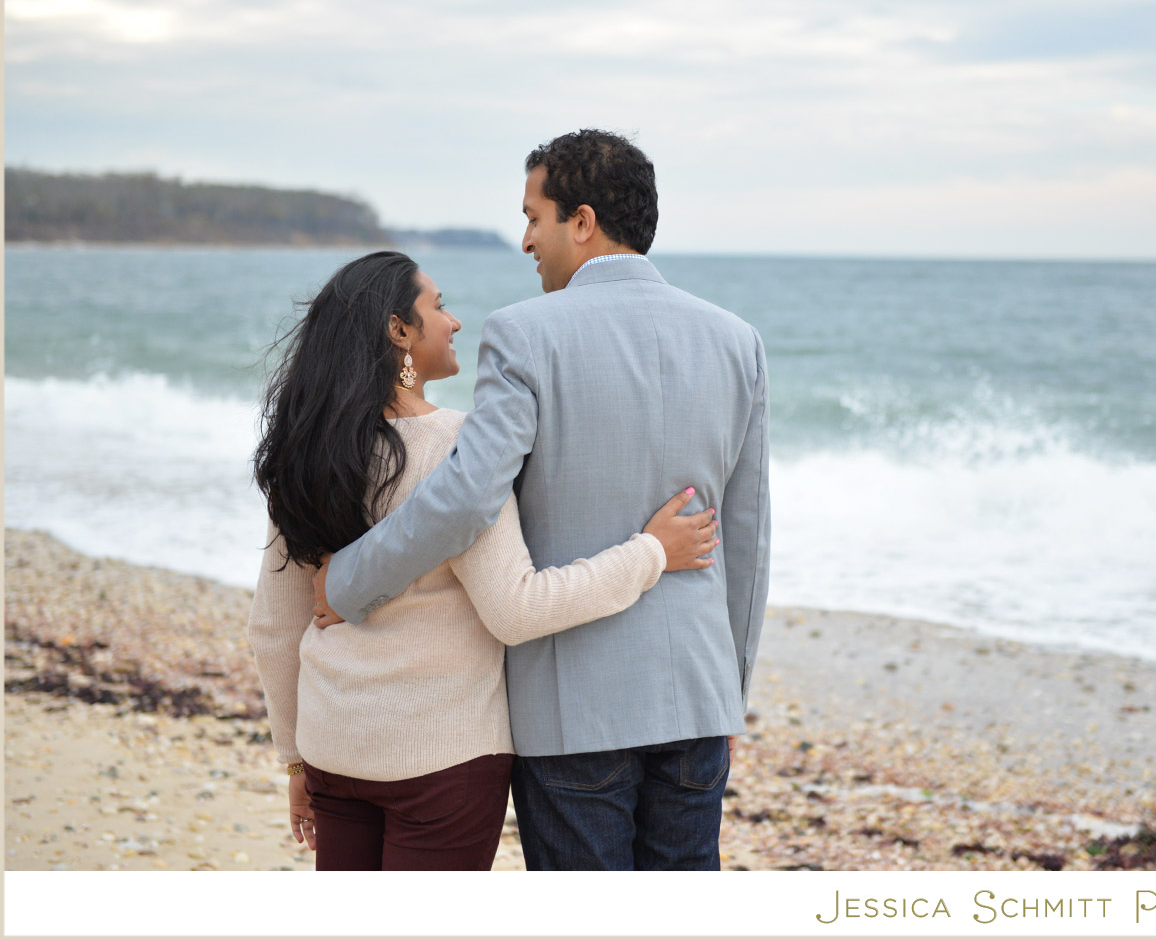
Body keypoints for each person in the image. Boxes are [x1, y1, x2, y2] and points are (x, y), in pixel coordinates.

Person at [312, 129, 771, 871]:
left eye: (534, 216)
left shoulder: (524, 334)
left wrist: (348, 580)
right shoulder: (736, 340)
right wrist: (729, 692)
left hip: (571, 712)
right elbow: (745, 537)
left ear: (582, 221)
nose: (525, 239)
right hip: (697, 696)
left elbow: (464, 501)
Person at [247, 250, 719, 871]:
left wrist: (295, 760)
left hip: (334, 747)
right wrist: (653, 552)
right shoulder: (461, 447)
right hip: (440, 760)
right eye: (438, 306)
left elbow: (275, 628)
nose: (455, 322)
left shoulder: (305, 448)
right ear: (399, 331)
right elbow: (517, 609)